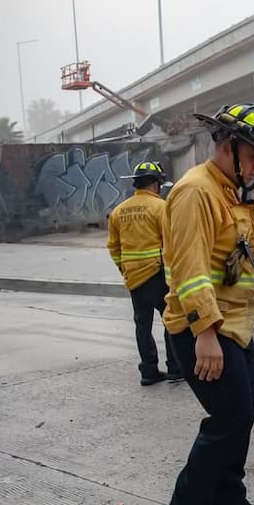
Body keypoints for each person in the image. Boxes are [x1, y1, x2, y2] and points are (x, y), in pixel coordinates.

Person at [160, 103, 254, 505]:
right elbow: (188, 270)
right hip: (203, 330)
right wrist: (205, 335)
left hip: (236, 326)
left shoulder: (229, 191)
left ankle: (231, 500)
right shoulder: (196, 192)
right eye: (253, 155)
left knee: (240, 415)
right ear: (227, 147)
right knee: (229, 418)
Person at [106, 161, 182, 386]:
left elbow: (114, 247)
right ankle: (175, 368)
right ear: (156, 184)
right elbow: (172, 241)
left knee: (142, 324)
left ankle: (148, 371)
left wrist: (125, 268)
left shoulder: (119, 211)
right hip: (158, 275)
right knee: (171, 319)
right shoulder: (161, 207)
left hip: (134, 279)